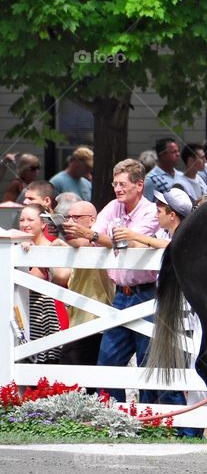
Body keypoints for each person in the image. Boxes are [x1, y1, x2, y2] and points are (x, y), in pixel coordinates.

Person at [63, 159, 165, 403]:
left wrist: (94, 235)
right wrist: (68, 234)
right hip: (120, 294)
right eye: (114, 183)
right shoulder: (112, 207)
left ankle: (149, 420)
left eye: (122, 184)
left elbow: (130, 243)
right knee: (108, 358)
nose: (117, 189)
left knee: (146, 359)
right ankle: (113, 415)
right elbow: (96, 239)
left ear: (139, 185)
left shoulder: (150, 211)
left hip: (146, 293)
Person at [58, 201, 115, 366]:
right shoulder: (74, 245)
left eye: (76, 218)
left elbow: (85, 243)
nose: (70, 222)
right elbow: (61, 276)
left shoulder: (98, 241)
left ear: (92, 220)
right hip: (76, 322)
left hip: (94, 322)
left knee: (72, 377)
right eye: (68, 217)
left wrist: (61, 238)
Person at [17, 204, 70, 364]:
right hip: (23, 316)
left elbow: (63, 277)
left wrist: (36, 256)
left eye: (30, 220)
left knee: (47, 368)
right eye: (21, 220)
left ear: (43, 224)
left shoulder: (52, 245)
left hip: (48, 317)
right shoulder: (16, 248)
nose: (25, 224)